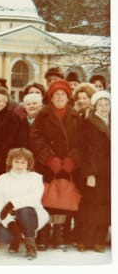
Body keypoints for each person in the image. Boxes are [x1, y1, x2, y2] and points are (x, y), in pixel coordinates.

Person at [30, 79, 82, 251]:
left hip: (66, 166)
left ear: (68, 97)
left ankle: (59, 234)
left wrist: (72, 159)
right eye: (56, 94)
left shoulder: (75, 116)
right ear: (50, 98)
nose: (60, 97)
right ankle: (43, 233)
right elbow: (36, 137)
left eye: (63, 94)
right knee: (45, 199)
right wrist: (49, 158)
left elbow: (82, 142)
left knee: (62, 197)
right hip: (47, 166)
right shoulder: (43, 114)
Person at [0, 148, 49, 260]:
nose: (19, 165)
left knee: (24, 210)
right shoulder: (3, 179)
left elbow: (34, 198)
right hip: (10, 216)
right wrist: (9, 222)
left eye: (23, 162)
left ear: (28, 163)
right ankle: (15, 240)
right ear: (11, 162)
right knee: (5, 237)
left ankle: (30, 246)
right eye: (16, 161)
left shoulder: (35, 178)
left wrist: (13, 203)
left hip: (31, 215)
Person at [76, 91, 111, 252]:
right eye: (100, 104)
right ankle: (84, 240)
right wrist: (88, 173)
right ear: (95, 106)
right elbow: (82, 150)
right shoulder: (88, 123)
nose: (104, 108)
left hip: (109, 173)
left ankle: (99, 240)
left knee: (105, 207)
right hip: (93, 172)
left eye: (107, 104)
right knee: (89, 206)